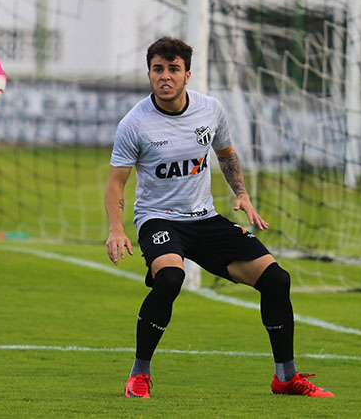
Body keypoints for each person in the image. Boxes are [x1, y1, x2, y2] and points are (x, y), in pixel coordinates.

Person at [105, 36, 333, 399]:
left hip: (205, 219)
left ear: (187, 74)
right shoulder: (134, 124)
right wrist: (117, 231)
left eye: (174, 69)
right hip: (158, 219)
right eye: (158, 69)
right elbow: (116, 183)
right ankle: (139, 374)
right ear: (149, 73)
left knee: (276, 280)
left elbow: (226, 154)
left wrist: (241, 194)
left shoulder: (210, 110)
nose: (166, 77)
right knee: (170, 279)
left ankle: (285, 378)